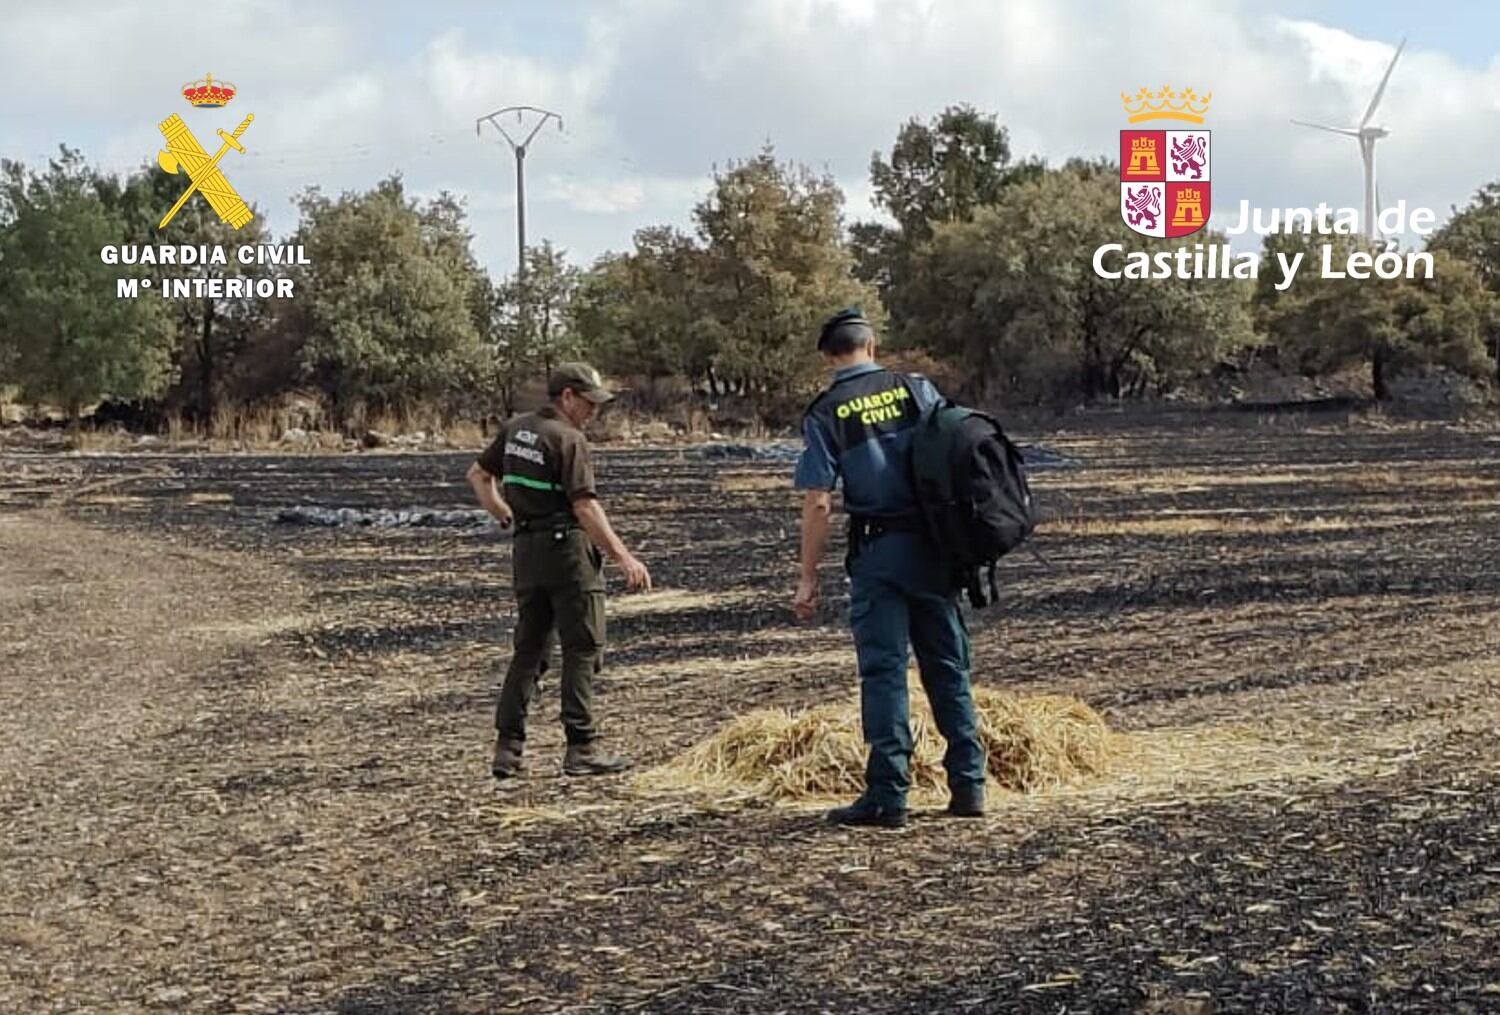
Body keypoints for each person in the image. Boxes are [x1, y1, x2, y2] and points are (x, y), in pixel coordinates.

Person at [793, 310, 987, 828]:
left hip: (879, 553)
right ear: (872, 345)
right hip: (934, 547)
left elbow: (818, 503)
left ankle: (888, 794)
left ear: (828, 357)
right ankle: (969, 785)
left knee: (883, 672)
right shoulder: (915, 389)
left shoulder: (826, 410)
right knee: (947, 664)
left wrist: (808, 575)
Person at [468, 362, 652, 779]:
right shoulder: (568, 439)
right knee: (584, 647)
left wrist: (505, 516)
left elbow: (479, 476)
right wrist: (624, 556)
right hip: (566, 553)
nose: (593, 412)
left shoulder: (518, 429)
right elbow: (584, 506)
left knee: (529, 649)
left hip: (527, 552)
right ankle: (581, 746)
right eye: (588, 403)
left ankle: (507, 748)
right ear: (567, 396)